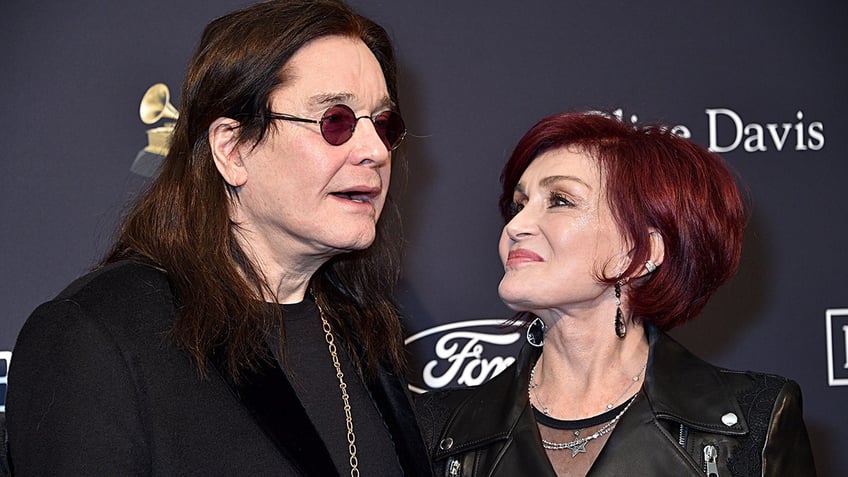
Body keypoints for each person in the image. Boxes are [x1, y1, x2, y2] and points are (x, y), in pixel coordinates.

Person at [6, 1, 432, 475]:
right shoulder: (96, 336)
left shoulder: (365, 329)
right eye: (336, 121)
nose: (375, 150)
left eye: (384, 124)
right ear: (232, 149)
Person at [415, 112, 816, 476]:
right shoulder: (442, 428)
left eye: (560, 201)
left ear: (642, 253)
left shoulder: (752, 423)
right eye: (519, 204)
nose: (516, 225)